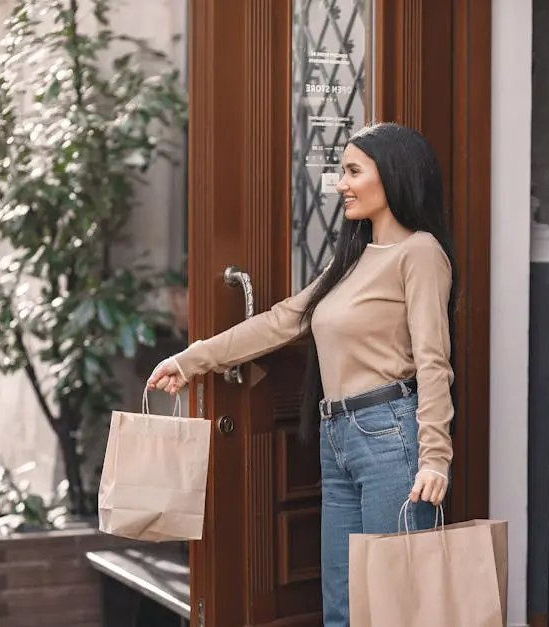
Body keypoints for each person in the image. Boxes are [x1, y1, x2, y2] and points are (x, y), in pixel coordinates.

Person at [146, 121, 457, 626]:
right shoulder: (352, 260)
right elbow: (280, 321)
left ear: (394, 175)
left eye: (354, 171)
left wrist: (436, 458)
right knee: (341, 605)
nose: (341, 184)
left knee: (392, 606)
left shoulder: (418, 253)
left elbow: (433, 361)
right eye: (341, 172)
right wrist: (191, 358)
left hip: (391, 438)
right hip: (337, 436)